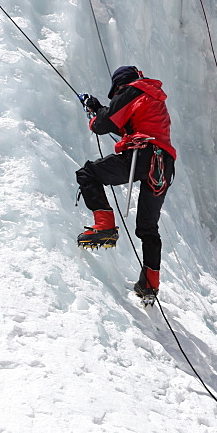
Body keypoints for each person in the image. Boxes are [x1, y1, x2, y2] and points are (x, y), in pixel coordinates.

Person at [75, 65, 176, 301]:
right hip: (163, 165)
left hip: (143, 155)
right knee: (147, 227)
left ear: (120, 85)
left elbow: (104, 124)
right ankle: (150, 284)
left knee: (88, 174)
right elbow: (123, 121)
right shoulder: (150, 94)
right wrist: (98, 109)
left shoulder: (132, 90)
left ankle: (105, 226)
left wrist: (94, 116)